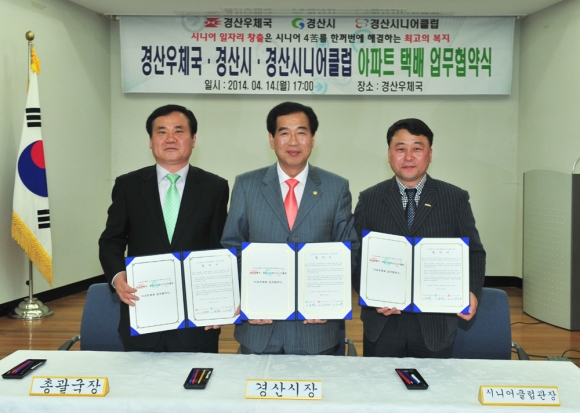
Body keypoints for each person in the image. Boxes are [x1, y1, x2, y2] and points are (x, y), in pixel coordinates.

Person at [221, 101, 359, 355]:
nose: (293, 142)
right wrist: (248, 299)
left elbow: (347, 250)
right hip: (260, 328)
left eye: (301, 133)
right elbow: (232, 247)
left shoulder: (336, 187)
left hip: (317, 329)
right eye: (284, 133)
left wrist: (330, 300)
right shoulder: (246, 185)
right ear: (271, 139)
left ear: (313, 139)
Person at [99, 104, 229, 352]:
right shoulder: (128, 185)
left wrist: (222, 302)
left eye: (179, 131)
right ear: (150, 141)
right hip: (143, 313)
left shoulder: (215, 187)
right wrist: (117, 276)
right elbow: (111, 240)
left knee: (198, 377)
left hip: (197, 321)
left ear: (193, 140)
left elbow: (220, 247)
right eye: (161, 132)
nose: (170, 139)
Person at [353, 118, 486, 358]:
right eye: (400, 149)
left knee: (434, 381)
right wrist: (370, 296)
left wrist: (472, 291)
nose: (408, 157)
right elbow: (356, 255)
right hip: (383, 322)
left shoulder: (454, 198)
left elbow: (474, 252)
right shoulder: (370, 198)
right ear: (389, 154)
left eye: (417, 148)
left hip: (435, 323)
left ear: (430, 154)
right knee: (380, 380)